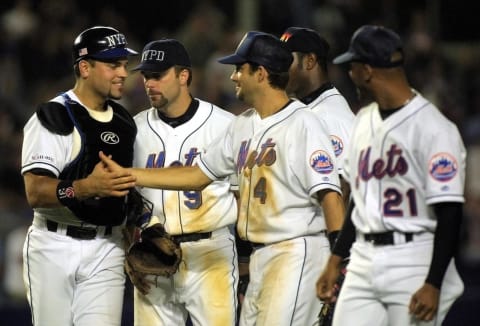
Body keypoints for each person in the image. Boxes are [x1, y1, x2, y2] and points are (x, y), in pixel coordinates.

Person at [99, 30, 346, 326]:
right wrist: (131, 174)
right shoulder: (242, 125)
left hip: (297, 248)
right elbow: (197, 174)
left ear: (261, 73)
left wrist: (337, 260)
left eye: (240, 69)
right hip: (260, 255)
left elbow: (330, 195)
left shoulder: (305, 122)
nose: (233, 77)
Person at [316, 25, 465, 325]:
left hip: (413, 256)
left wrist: (433, 282)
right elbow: (359, 201)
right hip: (362, 257)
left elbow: (450, 213)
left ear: (368, 71)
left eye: (353, 67)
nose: (350, 74)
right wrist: (335, 259)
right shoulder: (362, 121)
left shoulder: (435, 128)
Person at [21, 26, 138, 326]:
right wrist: (85, 187)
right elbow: (35, 191)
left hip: (107, 247)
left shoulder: (124, 121)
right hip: (53, 245)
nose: (123, 72)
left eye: (124, 64)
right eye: (113, 64)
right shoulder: (54, 115)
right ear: (85, 67)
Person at [127, 38, 239, 326]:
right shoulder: (135, 129)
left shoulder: (225, 125)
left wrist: (247, 257)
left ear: (183, 75)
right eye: (146, 75)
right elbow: (127, 200)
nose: (149, 83)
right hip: (152, 256)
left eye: (158, 75)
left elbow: (243, 196)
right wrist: (130, 251)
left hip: (210, 253)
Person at [280, 26, 354, 207]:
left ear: (310, 61)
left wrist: (333, 235)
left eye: (285, 61)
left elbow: (342, 190)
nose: (278, 69)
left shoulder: (330, 116)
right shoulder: (309, 108)